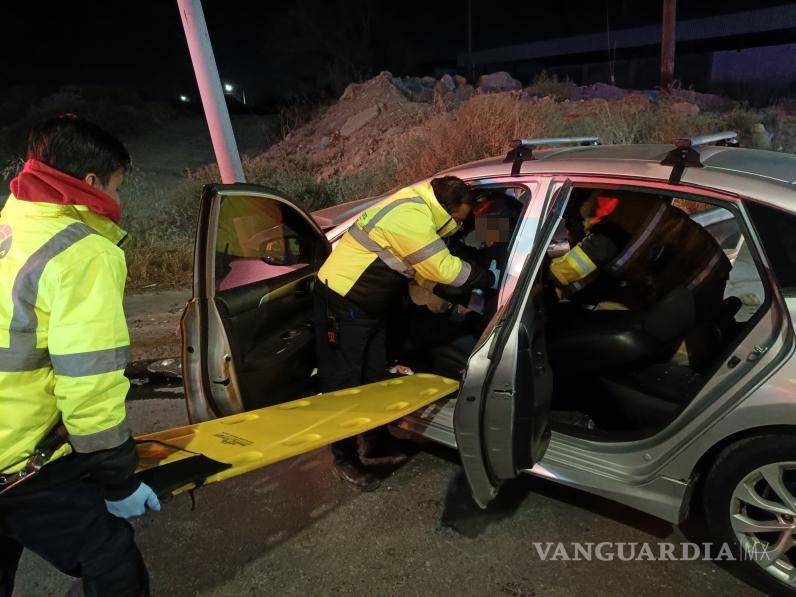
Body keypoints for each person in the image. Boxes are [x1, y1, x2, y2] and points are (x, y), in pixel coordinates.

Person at [0, 116, 160, 597]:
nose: (119, 196)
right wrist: (118, 481)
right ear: (90, 182)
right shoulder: (84, 252)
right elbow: (88, 381)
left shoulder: (15, 222)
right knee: (109, 559)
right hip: (17, 455)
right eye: (117, 184)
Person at [314, 176, 494, 490]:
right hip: (343, 303)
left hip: (372, 304)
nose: (461, 226)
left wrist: (468, 299)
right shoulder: (411, 220)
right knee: (343, 381)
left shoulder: (422, 208)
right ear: (446, 209)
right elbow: (447, 271)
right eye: (459, 219)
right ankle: (344, 458)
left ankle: (375, 440)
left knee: (373, 375)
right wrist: (488, 279)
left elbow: (422, 273)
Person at [550, 190, 731, 370]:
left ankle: (712, 373)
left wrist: (551, 276)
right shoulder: (607, 199)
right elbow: (601, 270)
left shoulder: (605, 206)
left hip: (702, 268)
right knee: (687, 322)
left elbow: (594, 253)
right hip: (689, 264)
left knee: (698, 331)